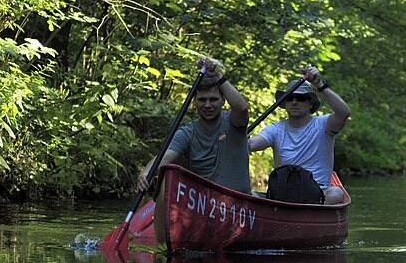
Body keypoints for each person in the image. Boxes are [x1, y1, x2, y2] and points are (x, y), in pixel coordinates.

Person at [138, 57, 251, 194]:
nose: (207, 105)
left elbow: (242, 108)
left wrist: (218, 76)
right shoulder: (187, 133)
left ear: (223, 101)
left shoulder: (234, 122)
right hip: (202, 203)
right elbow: (164, 157)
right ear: (195, 102)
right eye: (202, 100)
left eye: (213, 100)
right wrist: (145, 173)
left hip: (238, 203)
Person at [248, 65, 350, 204]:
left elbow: (344, 113)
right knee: (248, 193)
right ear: (285, 103)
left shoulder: (323, 124)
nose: (294, 102)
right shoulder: (276, 128)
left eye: (300, 98)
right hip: (283, 194)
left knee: (336, 193)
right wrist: (242, 139)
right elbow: (252, 144)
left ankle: (308, 213)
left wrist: (319, 84)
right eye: (290, 98)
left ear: (310, 104)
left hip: (317, 195)